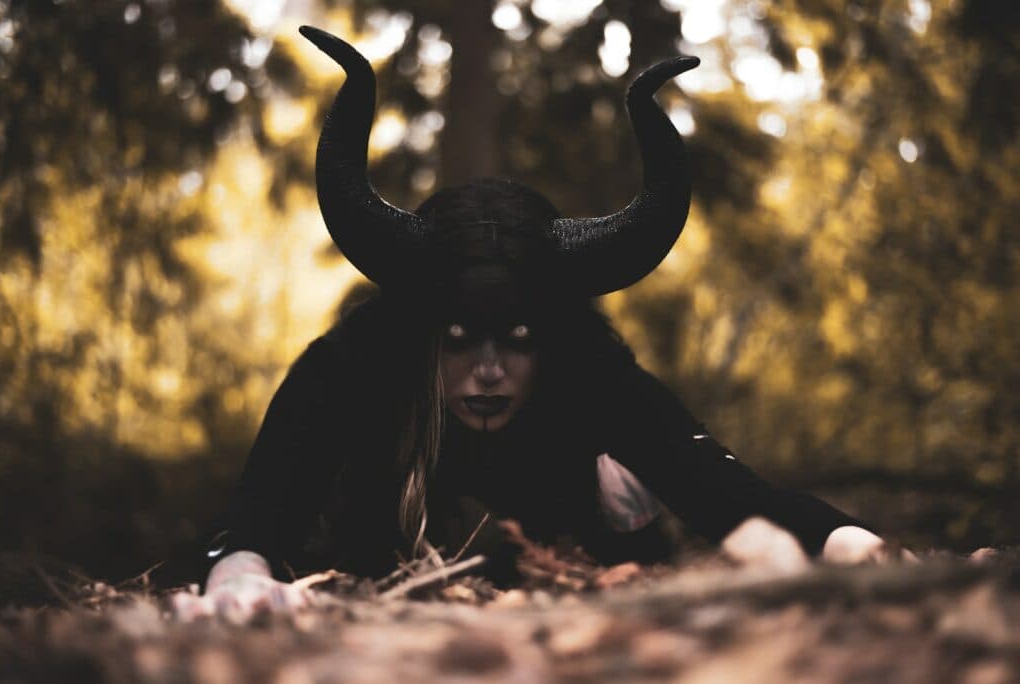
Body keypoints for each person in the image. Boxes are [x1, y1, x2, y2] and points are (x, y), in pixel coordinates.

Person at [176, 26, 892, 618]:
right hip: (380, 602)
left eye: (516, 339)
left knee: (629, 500)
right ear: (424, 331)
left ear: (548, 336)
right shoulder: (351, 366)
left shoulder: (590, 368)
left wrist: (857, 547)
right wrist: (239, 574)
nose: (488, 367)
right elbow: (262, 509)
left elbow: (730, 497)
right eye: (459, 338)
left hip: (589, 606)